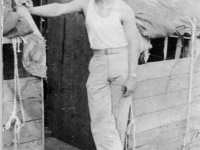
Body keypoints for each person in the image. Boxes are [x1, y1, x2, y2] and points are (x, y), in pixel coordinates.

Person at [26, 0, 139, 149]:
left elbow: (134, 43)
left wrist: (132, 76)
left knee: (118, 119)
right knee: (99, 119)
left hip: (121, 61)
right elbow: (59, 8)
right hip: (99, 61)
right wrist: (32, 10)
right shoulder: (86, 4)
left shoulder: (123, 9)